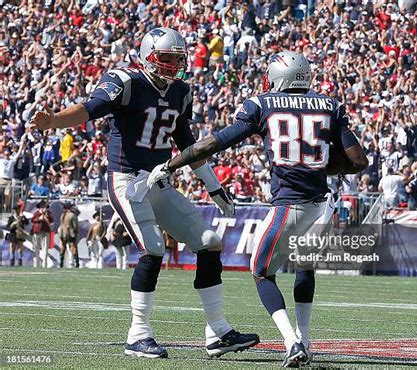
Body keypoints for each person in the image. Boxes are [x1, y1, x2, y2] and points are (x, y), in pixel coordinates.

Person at [31, 27, 258, 359]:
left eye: (177, 60)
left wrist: (214, 186)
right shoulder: (126, 81)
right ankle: (137, 335)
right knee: (153, 248)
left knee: (209, 242)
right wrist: (54, 121)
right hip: (126, 180)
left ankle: (218, 332)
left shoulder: (181, 91)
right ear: (149, 56)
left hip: (158, 180)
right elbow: (89, 109)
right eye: (165, 59)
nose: (172, 66)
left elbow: (188, 145)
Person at [148, 51, 368, 367]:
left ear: (279, 76)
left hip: (289, 206)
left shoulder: (263, 104)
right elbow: (358, 161)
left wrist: (172, 164)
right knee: (305, 268)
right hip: (323, 206)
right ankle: (305, 339)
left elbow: (214, 144)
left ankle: (292, 343)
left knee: (261, 271)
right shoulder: (331, 106)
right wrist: (316, 169)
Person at [31, 199, 54, 268]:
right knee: (36, 248)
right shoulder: (36, 213)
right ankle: (36, 264)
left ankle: (44, 264)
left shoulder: (48, 213)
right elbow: (33, 220)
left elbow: (51, 220)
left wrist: (46, 215)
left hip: (45, 232)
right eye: (42, 207)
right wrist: (39, 218)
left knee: (45, 248)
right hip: (37, 232)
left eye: (44, 207)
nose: (43, 208)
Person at [58, 202, 79, 268]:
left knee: (63, 247)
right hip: (70, 233)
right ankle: (76, 263)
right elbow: (75, 226)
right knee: (73, 247)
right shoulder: (72, 215)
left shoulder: (62, 215)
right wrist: (76, 233)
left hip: (62, 233)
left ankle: (61, 262)